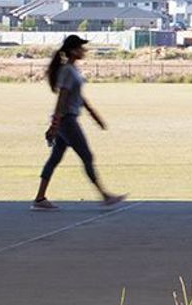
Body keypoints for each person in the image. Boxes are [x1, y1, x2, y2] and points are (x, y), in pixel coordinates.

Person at [32, 35, 126, 210]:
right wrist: (55, 124)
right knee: (87, 156)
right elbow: (63, 97)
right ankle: (105, 196)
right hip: (67, 120)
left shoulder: (72, 69)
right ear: (74, 50)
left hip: (66, 120)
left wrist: (93, 114)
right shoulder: (68, 70)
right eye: (81, 47)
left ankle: (39, 199)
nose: (84, 50)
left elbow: (78, 96)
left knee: (55, 158)